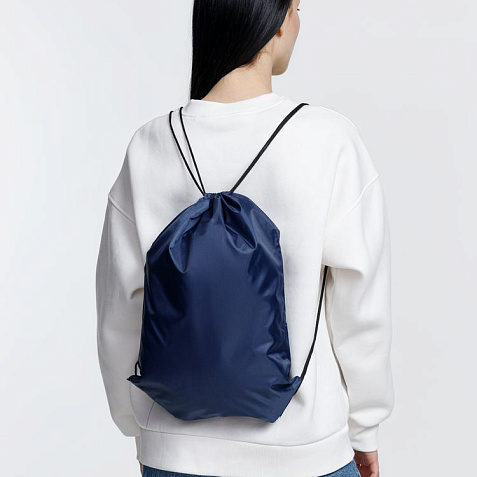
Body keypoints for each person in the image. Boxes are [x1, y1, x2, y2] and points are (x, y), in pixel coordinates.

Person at [95, 1, 395, 476]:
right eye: (297, 7)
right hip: (305, 452)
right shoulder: (328, 139)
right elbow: (362, 308)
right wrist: (365, 427)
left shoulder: (150, 144)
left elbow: (119, 308)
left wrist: (137, 425)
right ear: (273, 21)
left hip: (174, 453)